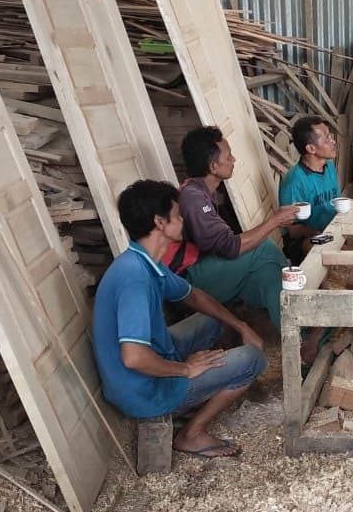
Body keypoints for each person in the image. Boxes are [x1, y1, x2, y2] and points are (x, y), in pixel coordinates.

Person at [93, 180, 267, 459]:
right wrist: (186, 369)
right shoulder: (133, 278)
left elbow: (193, 295)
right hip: (143, 393)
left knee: (215, 318)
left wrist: (241, 325)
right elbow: (134, 358)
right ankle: (191, 434)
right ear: (160, 222)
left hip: (152, 363)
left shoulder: (143, 262)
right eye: (178, 214)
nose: (184, 218)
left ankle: (199, 392)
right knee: (253, 360)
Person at [175, 126, 300, 333]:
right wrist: (275, 220)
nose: (234, 160)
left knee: (268, 274)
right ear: (213, 166)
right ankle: (297, 295)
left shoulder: (202, 192)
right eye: (229, 156)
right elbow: (229, 248)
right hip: (189, 281)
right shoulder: (194, 199)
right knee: (262, 249)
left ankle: (297, 338)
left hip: (206, 270)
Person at [278, 116, 340, 266]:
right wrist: (315, 233)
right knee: (318, 245)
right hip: (306, 240)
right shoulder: (295, 182)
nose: (333, 142)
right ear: (311, 148)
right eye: (327, 139)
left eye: (330, 136)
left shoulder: (329, 167)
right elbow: (291, 231)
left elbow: (336, 204)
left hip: (331, 231)